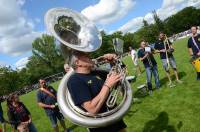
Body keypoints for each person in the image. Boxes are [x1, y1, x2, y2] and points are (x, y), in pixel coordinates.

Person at [67, 51, 127, 132]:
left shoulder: (96, 73)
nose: (89, 56)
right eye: (85, 55)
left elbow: (120, 75)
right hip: (102, 127)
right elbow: (92, 109)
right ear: (77, 62)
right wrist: (107, 85)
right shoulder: (74, 80)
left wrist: (113, 62)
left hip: (115, 120)